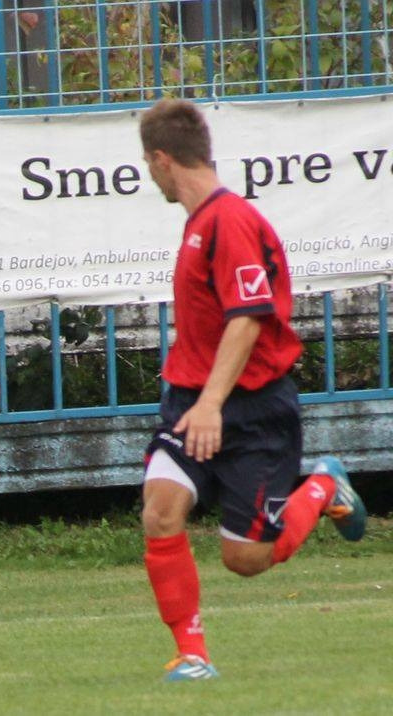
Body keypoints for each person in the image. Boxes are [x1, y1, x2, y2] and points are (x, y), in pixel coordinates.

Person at [138, 98, 366, 681]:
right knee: (160, 513)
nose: (150, 176)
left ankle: (322, 486)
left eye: (147, 165)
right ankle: (193, 656)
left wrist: (214, 403)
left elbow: (248, 318)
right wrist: (200, 402)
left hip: (254, 411)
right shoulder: (198, 223)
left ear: (162, 160)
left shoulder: (228, 221)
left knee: (246, 559)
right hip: (190, 402)